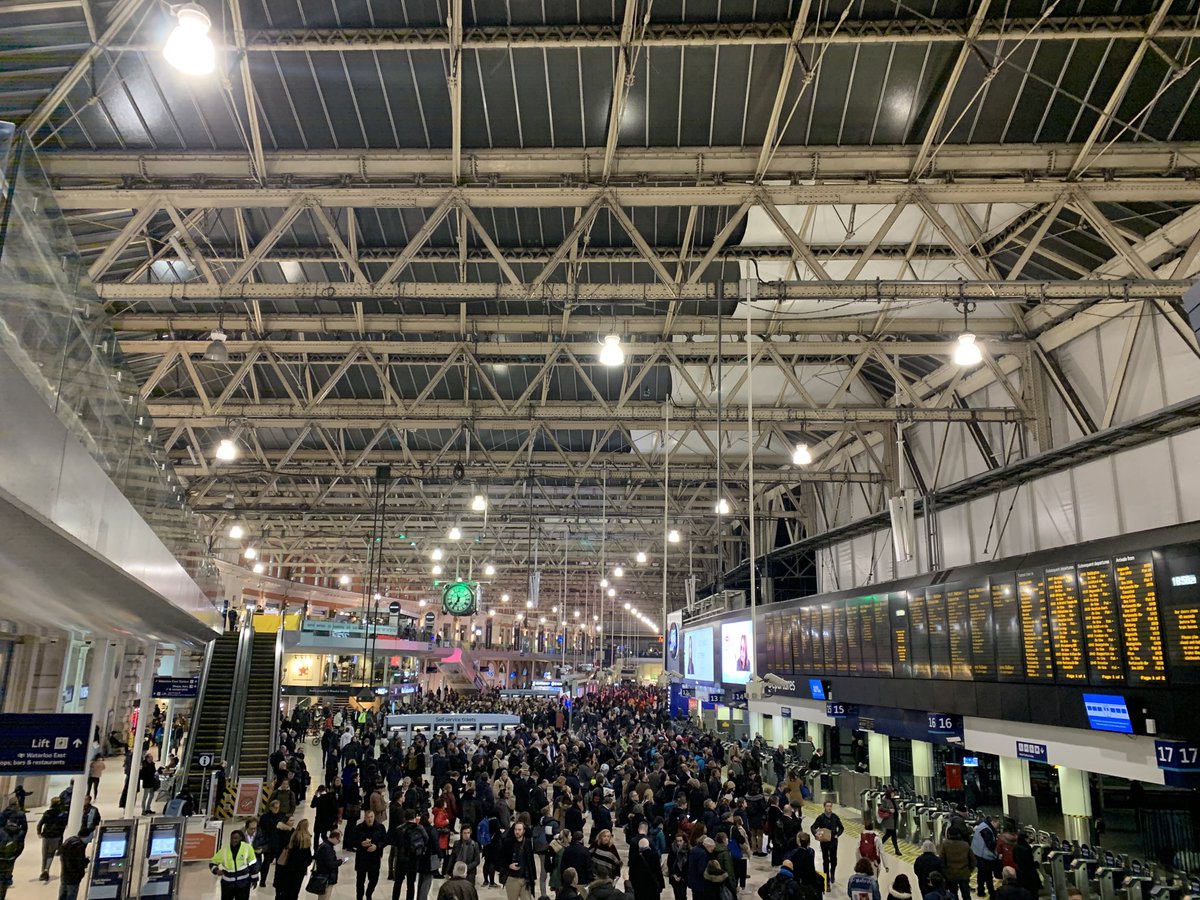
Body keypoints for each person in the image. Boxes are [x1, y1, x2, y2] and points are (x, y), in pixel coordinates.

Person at [210, 829, 261, 900]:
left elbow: (253, 864)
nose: (233, 840)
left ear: (241, 838)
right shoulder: (224, 850)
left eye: (236, 838)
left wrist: (254, 879)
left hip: (243, 883)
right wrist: (216, 870)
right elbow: (213, 863)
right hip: (227, 884)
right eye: (232, 838)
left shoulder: (247, 848)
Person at [352, 809, 388, 900]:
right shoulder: (358, 828)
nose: (369, 819)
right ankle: (359, 897)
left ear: (374, 817)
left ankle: (369, 893)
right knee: (360, 882)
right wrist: (360, 843)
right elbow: (352, 841)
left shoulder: (380, 828)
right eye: (367, 817)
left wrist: (377, 846)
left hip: (374, 859)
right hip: (362, 858)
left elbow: (385, 841)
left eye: (371, 817)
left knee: (374, 880)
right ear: (364, 818)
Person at [274, 820, 315, 900]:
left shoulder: (293, 835)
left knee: (287, 887)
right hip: (299, 869)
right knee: (295, 889)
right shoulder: (306, 838)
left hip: (289, 867)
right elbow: (308, 857)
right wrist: (306, 864)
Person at [393, 808, 429, 900]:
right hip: (414, 860)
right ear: (414, 817)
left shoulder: (399, 829)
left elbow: (396, 843)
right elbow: (426, 840)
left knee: (398, 883)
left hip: (401, 860)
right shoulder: (420, 828)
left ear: (405, 817)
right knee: (411, 884)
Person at [500, 820, 537, 900]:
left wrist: (533, 878)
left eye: (519, 830)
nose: (517, 832)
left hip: (525, 878)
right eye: (515, 830)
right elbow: (501, 859)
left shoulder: (527, 842)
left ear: (523, 831)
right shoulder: (508, 842)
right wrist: (509, 865)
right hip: (512, 878)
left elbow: (531, 860)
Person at [810, 801, 844, 887]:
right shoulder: (821, 818)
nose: (829, 808)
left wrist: (837, 835)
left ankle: (832, 873)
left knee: (834, 860)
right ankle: (827, 880)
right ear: (824, 807)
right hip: (824, 842)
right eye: (827, 806)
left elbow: (841, 828)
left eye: (830, 806)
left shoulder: (835, 817)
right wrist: (816, 834)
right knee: (825, 861)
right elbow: (813, 827)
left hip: (833, 842)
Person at [36, 794, 68, 882]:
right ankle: (47, 869)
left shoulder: (47, 813)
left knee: (44, 854)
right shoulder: (63, 815)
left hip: (46, 835)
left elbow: (40, 824)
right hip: (56, 836)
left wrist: (39, 832)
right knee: (51, 854)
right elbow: (64, 826)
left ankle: (43, 871)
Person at [939, 828, 975, 900]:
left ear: (948, 834)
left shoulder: (945, 844)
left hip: (951, 874)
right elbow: (973, 860)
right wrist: (969, 870)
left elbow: (941, 859)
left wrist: (945, 872)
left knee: (953, 894)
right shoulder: (965, 845)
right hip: (964, 873)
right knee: (966, 894)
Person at [971, 817, 999, 899]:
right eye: (998, 824)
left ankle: (980, 891)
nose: (998, 827)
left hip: (977, 853)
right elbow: (990, 845)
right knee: (988, 876)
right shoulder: (986, 830)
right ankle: (992, 893)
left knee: (981, 874)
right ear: (993, 822)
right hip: (985, 856)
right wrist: (996, 841)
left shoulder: (982, 825)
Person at [58, 831, 89, 900]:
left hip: (64, 875)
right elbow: (78, 863)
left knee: (63, 894)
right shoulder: (79, 846)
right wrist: (86, 862)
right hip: (73, 878)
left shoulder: (68, 841)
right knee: (71, 895)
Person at [1011, 835, 1040, 900]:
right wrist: (1036, 864)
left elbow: (1014, 859)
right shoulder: (1026, 848)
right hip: (1029, 875)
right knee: (1033, 893)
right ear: (1025, 839)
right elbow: (1030, 862)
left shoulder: (1015, 847)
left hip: (1020, 873)